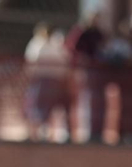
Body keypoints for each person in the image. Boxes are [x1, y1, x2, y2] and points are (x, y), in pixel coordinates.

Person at [24, 23, 71, 142]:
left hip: (45, 80)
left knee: (43, 107)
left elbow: (32, 62)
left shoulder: (44, 46)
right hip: (49, 80)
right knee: (41, 107)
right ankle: (42, 132)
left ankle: (45, 133)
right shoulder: (43, 45)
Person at [67, 14, 108, 143]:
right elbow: (72, 49)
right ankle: (84, 132)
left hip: (98, 72)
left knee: (98, 102)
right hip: (85, 71)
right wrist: (82, 60)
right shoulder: (81, 32)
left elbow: (104, 47)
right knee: (85, 100)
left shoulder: (98, 33)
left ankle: (97, 132)